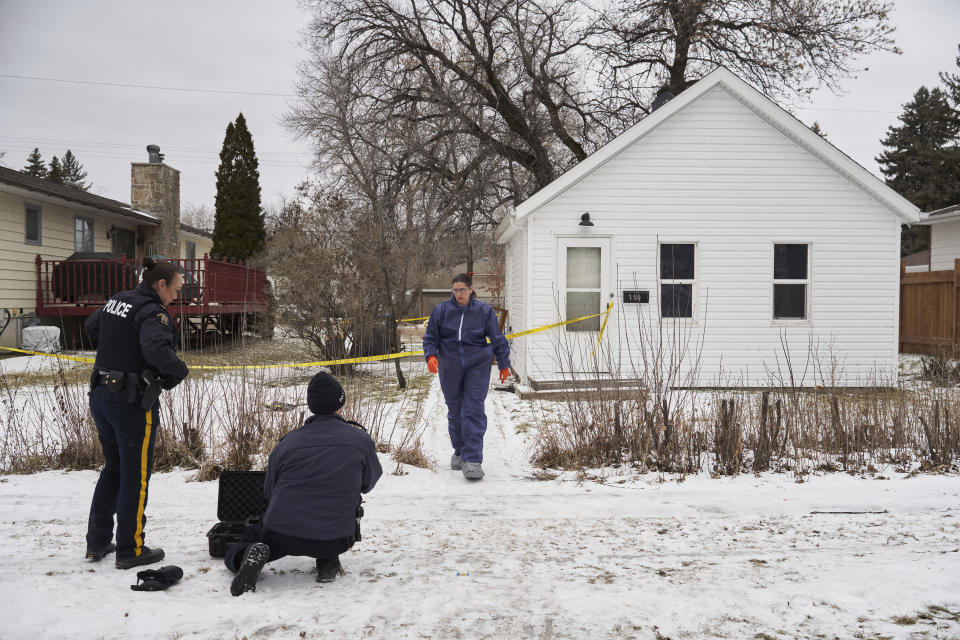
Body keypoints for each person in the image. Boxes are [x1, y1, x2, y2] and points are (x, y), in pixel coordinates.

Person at [227, 371, 383, 596]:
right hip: (338, 537)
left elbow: (269, 492)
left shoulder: (287, 444)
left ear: (311, 406)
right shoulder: (360, 441)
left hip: (283, 535)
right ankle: (328, 561)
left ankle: (245, 556)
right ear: (341, 404)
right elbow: (368, 484)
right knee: (330, 518)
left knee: (251, 537)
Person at [84, 257, 189, 570]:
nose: (177, 296)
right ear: (161, 285)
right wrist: (179, 370)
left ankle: (98, 542)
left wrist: (121, 347)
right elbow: (157, 350)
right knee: (136, 477)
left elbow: (92, 327)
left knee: (114, 468)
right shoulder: (152, 312)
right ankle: (131, 549)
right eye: (176, 289)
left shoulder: (118, 300)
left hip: (100, 395)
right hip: (129, 403)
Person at [422, 273, 510, 480]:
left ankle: (472, 460)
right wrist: (431, 356)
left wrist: (504, 364)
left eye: (462, 289)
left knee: (473, 409)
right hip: (449, 364)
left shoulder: (484, 310)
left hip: (477, 363)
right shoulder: (442, 310)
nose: (459, 294)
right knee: (455, 408)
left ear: (471, 289)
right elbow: (431, 336)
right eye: (455, 290)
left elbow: (496, 338)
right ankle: (460, 451)